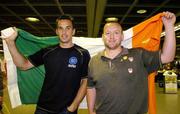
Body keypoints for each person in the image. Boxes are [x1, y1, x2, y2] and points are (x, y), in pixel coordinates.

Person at [87, 11, 176, 114]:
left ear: (122, 36)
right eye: (108, 33)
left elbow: (168, 57)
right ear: (103, 37)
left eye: (116, 33)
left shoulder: (139, 55)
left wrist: (169, 26)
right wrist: (91, 111)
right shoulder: (94, 61)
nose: (111, 37)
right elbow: (91, 87)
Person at [4, 14, 90, 114]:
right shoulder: (47, 52)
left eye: (68, 28)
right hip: (43, 108)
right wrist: (11, 43)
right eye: (60, 28)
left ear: (73, 31)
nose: (64, 32)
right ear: (57, 31)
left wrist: (72, 107)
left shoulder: (82, 54)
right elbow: (23, 65)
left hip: (67, 110)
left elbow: (85, 81)